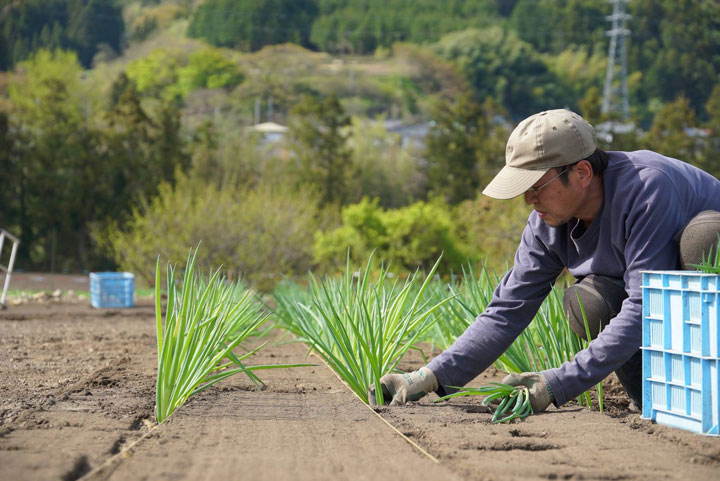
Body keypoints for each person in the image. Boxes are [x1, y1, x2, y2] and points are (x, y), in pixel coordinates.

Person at [369, 109, 720, 412]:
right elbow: (507, 309)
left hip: (698, 284)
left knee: (704, 240)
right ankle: (656, 399)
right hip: (664, 299)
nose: (528, 199)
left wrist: (557, 384)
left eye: (536, 185)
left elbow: (646, 304)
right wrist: (428, 376)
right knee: (592, 302)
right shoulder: (548, 222)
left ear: (581, 173)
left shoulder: (647, 189)